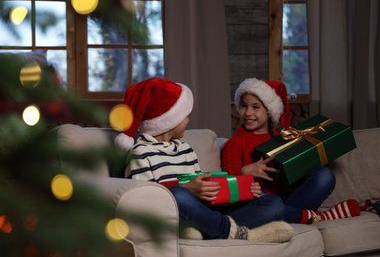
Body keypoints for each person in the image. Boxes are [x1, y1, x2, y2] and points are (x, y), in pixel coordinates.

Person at [115, 77, 294, 242]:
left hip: (202, 213)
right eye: (184, 116)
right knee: (180, 194)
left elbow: (205, 186)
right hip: (171, 216)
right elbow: (142, 197)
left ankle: (205, 229)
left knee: (274, 204)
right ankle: (232, 232)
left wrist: (241, 188)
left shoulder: (185, 148)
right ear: (169, 121)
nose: (188, 120)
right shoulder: (141, 152)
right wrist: (188, 189)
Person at [222, 78, 361, 224]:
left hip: (289, 199)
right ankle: (316, 217)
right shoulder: (234, 145)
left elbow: (293, 179)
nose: (248, 112)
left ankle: (285, 215)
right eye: (243, 106)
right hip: (263, 202)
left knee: (325, 175)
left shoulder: (283, 138)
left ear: (269, 111)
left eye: (255, 107)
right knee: (266, 200)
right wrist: (244, 173)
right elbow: (229, 194)